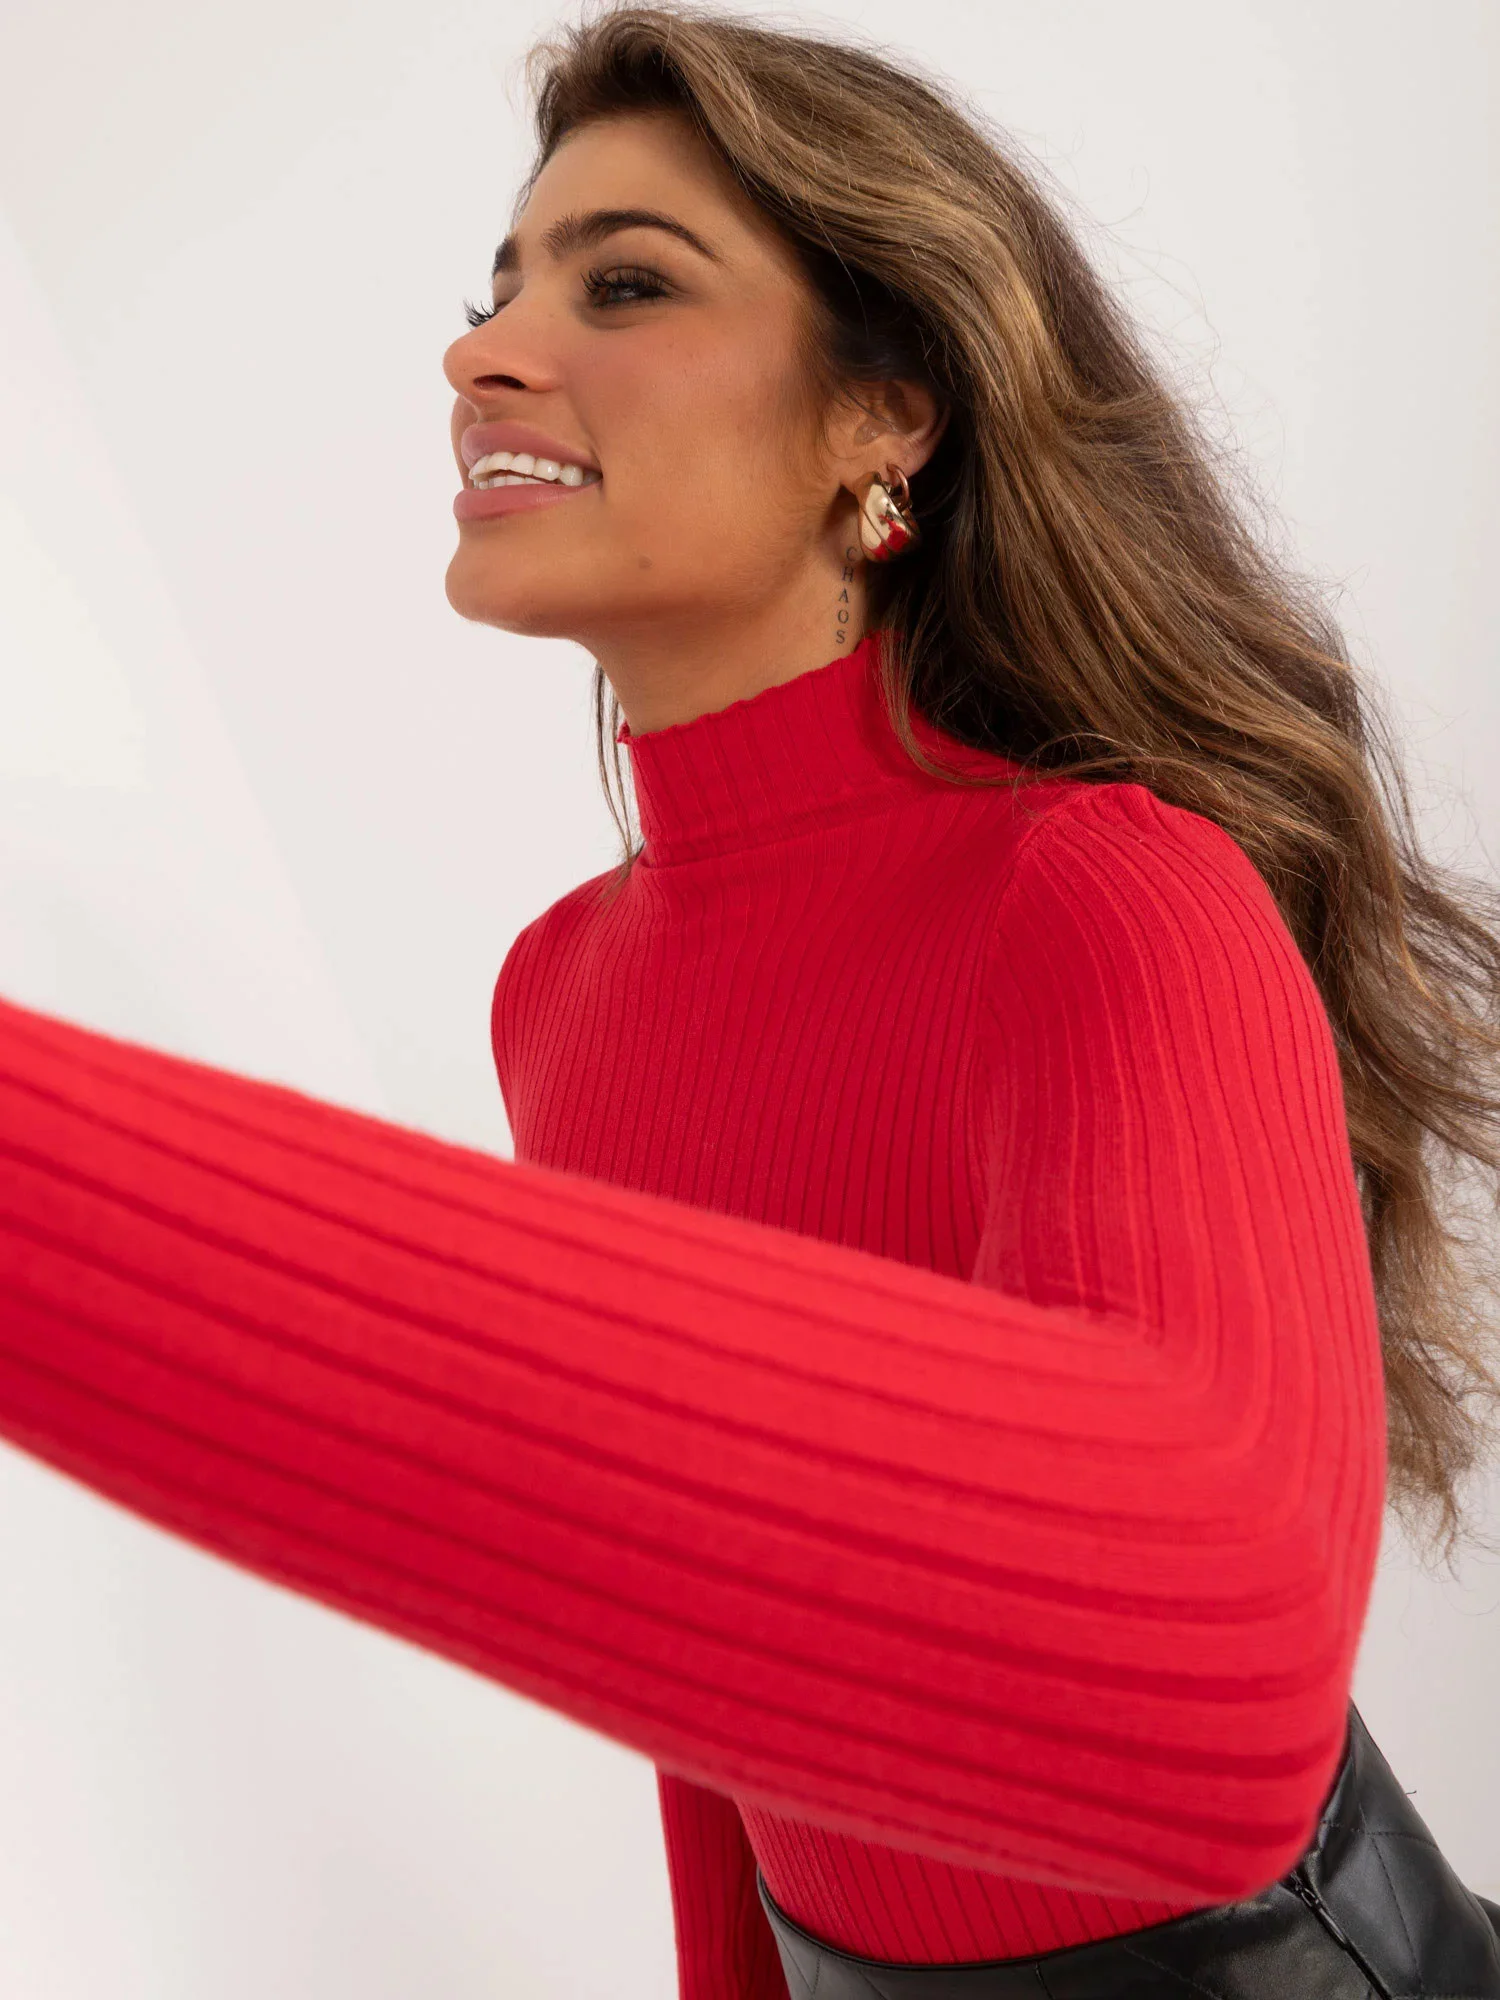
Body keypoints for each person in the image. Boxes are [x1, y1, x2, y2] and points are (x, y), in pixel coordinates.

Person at [1, 6, 1499, 1995]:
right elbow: (718, 1696)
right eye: (494, 293)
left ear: (885, 417)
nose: (480, 354)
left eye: (624, 283)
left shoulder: (1105, 890)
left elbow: (1214, 1671)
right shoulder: (563, 989)